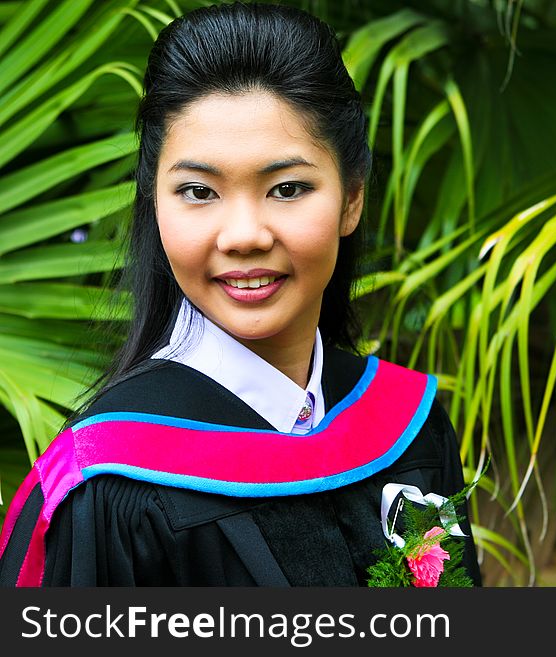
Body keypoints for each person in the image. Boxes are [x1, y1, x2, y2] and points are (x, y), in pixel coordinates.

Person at [0, 2, 480, 587]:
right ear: (154, 201)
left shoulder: (407, 426)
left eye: (288, 188)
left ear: (352, 198)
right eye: (199, 191)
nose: (245, 236)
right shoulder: (111, 482)